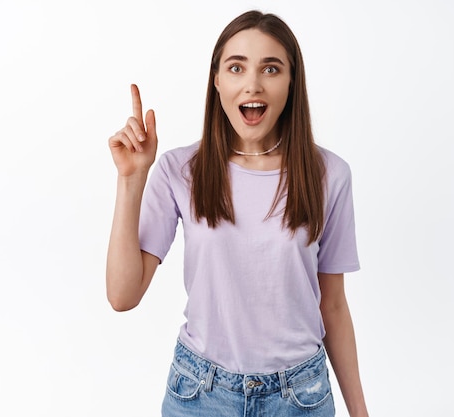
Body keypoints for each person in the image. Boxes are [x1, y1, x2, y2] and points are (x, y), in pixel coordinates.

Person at [106, 10, 369, 417]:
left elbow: (332, 306)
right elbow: (122, 295)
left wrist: (360, 412)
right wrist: (130, 180)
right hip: (199, 394)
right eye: (236, 67)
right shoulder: (180, 170)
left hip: (300, 397)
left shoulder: (329, 175)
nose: (253, 84)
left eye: (271, 68)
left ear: (291, 81)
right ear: (216, 80)